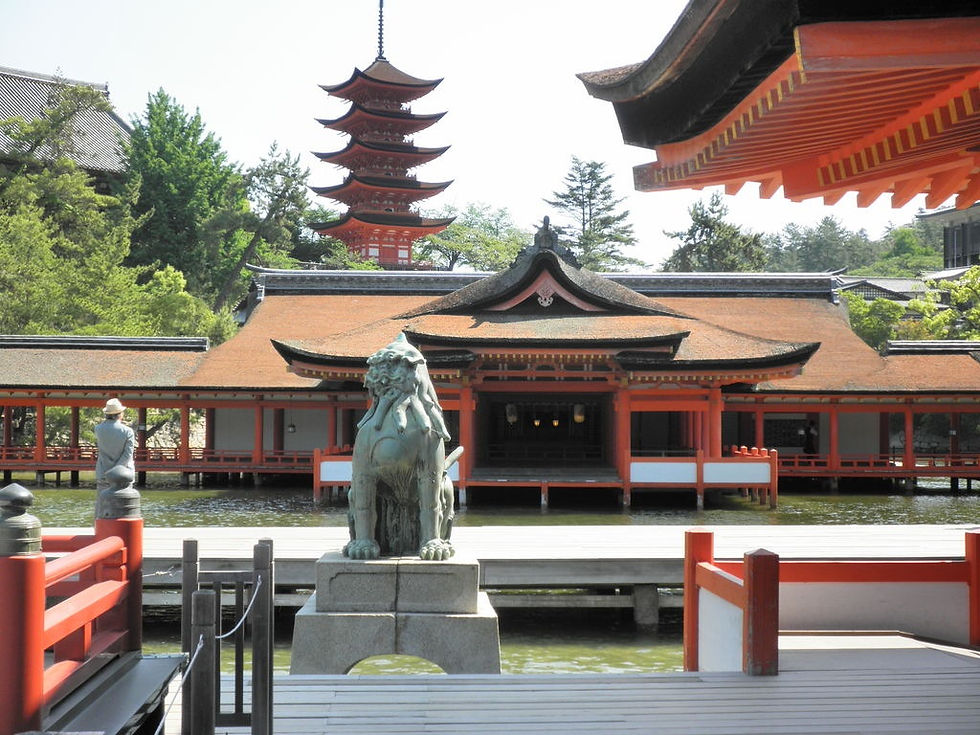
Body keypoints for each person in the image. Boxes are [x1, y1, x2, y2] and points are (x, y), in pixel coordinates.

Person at [94, 398, 135, 491]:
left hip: (103, 473)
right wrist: (116, 470)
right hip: (124, 474)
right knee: (125, 503)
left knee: (103, 503)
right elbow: (128, 454)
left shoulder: (98, 429)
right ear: (120, 414)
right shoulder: (128, 431)